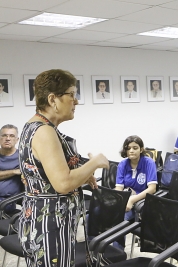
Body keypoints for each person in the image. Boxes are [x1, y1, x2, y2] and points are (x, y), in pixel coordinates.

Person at [18, 69, 109, 267]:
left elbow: (46, 176)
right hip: (50, 227)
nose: (76, 101)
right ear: (53, 99)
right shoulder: (44, 132)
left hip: (42, 221)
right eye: (71, 95)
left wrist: (83, 174)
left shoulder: (33, 127)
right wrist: (95, 162)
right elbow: (63, 183)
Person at [115, 135, 157, 221]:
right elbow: (119, 188)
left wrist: (132, 200)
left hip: (140, 202)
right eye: (128, 148)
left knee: (119, 220)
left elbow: (152, 189)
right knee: (97, 213)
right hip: (125, 199)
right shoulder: (122, 164)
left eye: (135, 148)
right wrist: (119, 201)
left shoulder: (149, 163)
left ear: (141, 150)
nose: (131, 151)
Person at [0, 124, 23, 214]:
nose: (8, 138)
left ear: (17, 140)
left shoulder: (22, 157)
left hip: (9, 201)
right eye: (4, 135)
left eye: (12, 136)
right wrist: (14, 171)